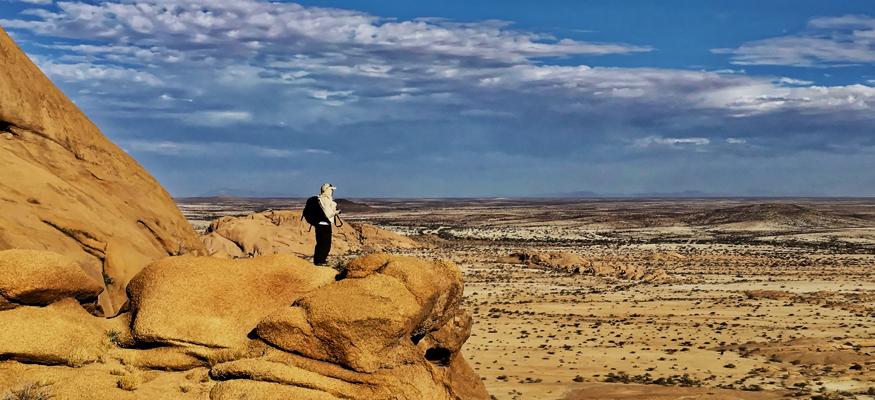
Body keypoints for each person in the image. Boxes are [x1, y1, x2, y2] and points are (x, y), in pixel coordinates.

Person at [313, 183, 340, 266]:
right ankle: (321, 262)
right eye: (331, 190)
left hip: (319, 224)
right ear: (328, 190)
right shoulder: (326, 199)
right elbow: (328, 214)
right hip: (325, 225)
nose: (332, 191)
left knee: (320, 243)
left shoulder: (319, 199)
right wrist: (335, 213)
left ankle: (318, 261)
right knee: (325, 244)